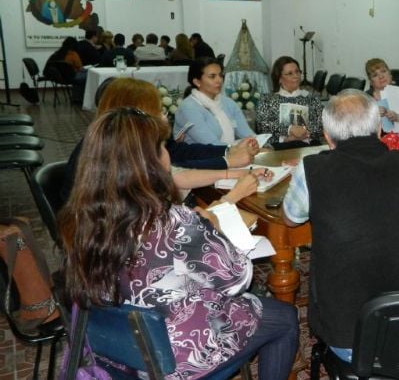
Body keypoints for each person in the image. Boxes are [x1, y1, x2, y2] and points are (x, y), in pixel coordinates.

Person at [61, 107, 298, 379]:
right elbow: (238, 280)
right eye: (162, 147)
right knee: (284, 317)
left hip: (115, 352)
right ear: (146, 164)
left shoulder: (82, 219)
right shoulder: (174, 222)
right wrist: (216, 231)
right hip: (173, 358)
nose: (168, 153)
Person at [282, 90, 399, 362]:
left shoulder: (312, 169)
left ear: (327, 136)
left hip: (352, 335)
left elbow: (290, 218)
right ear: (380, 129)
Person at [60, 77, 260, 203]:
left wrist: (229, 153)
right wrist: (229, 198)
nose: (164, 115)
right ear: (134, 115)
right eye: (158, 109)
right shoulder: (120, 162)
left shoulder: (119, 146)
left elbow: (178, 165)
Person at [174, 58, 256, 145]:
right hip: (202, 156)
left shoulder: (227, 102)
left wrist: (259, 144)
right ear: (197, 82)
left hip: (230, 153)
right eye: (212, 76)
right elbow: (211, 144)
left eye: (220, 75)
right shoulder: (189, 107)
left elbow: (247, 133)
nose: (219, 80)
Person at [255, 56, 323, 149]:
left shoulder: (311, 98)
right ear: (279, 78)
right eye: (290, 73)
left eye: (297, 71)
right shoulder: (267, 100)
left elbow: (320, 124)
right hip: (279, 146)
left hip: (308, 145)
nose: (296, 76)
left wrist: (303, 132)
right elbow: (262, 125)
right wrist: (289, 130)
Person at [364, 58, 399, 140]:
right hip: (375, 142)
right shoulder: (365, 99)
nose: (381, 76)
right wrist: (373, 116)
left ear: (390, 74)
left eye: (384, 71)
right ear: (371, 81)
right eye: (375, 75)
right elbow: (358, 126)